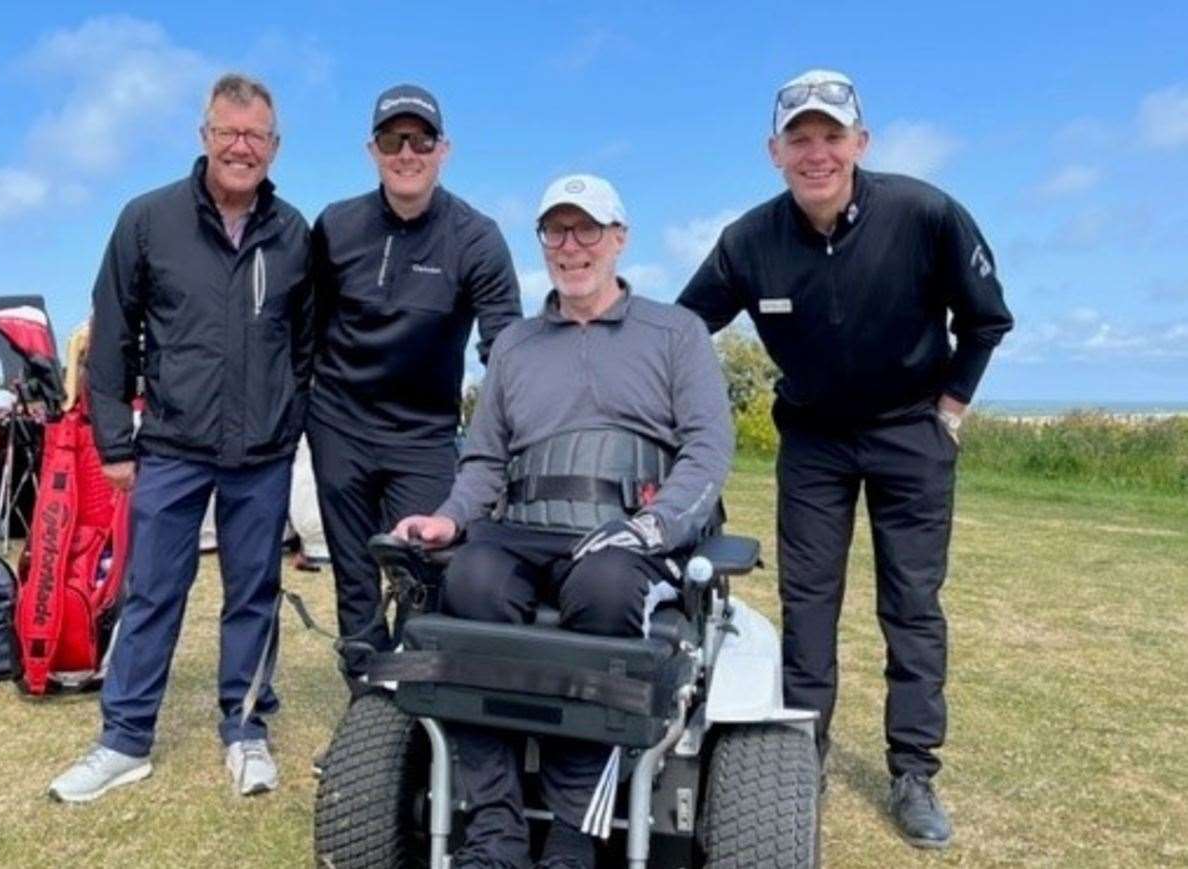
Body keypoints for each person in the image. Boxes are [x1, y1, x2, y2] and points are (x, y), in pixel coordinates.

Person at [677, 68, 1014, 849]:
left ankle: (914, 771)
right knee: (809, 605)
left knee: (912, 604)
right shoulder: (748, 242)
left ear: (861, 143)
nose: (817, 153)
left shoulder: (926, 214)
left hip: (911, 434)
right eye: (801, 139)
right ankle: (803, 755)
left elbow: (987, 320)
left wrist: (950, 412)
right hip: (815, 441)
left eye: (833, 136)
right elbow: (683, 329)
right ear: (774, 152)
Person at [395, 174, 733, 869]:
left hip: (627, 534)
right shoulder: (515, 346)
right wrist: (450, 519)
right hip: (522, 528)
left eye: (588, 230)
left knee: (606, 590)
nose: (571, 246)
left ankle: (575, 838)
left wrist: (655, 526)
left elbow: (706, 451)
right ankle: (496, 831)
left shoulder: (677, 333)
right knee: (471, 582)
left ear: (619, 238)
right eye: (557, 231)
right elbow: (485, 460)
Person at [49, 73, 313, 802]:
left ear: (274, 146)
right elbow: (112, 339)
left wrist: (287, 423)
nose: (240, 146)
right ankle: (124, 738)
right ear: (204, 137)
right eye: (227, 132)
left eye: (255, 135)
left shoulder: (292, 233)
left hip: (260, 455)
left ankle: (246, 728)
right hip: (169, 448)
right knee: (152, 592)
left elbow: (306, 345)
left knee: (253, 593)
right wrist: (115, 444)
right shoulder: (147, 220)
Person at [308, 83, 521, 689]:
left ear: (443, 149)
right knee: (354, 573)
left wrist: (512, 434)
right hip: (338, 423)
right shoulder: (336, 225)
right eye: (392, 139)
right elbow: (305, 329)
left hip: (423, 433)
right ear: (372, 149)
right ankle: (366, 702)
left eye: (420, 139)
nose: (407, 152)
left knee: (424, 573)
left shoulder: (476, 237)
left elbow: (505, 349)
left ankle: (415, 704)